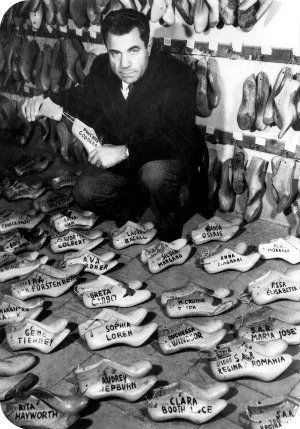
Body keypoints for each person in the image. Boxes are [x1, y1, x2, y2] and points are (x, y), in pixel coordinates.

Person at [22, 9, 205, 241]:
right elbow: (82, 99)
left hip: (166, 154)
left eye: (133, 51)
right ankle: (137, 202)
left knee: (155, 175)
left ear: (148, 44)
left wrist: (123, 151)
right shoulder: (101, 67)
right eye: (115, 53)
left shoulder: (177, 75)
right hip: (124, 159)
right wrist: (47, 102)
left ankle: (170, 217)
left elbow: (175, 137)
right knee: (84, 193)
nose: (124, 64)